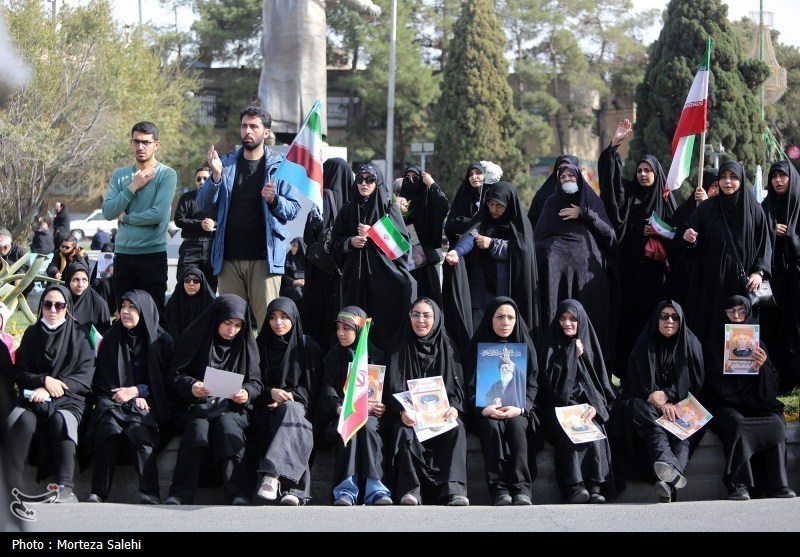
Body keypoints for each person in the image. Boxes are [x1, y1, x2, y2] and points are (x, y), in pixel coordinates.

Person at [199, 106, 301, 329]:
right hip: (228, 260)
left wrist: (274, 200)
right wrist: (215, 176)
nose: (247, 131)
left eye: (254, 126)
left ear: (266, 132)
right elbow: (203, 205)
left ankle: (265, 356)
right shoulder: (225, 165)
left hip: (265, 260)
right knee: (230, 325)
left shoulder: (280, 167)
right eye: (244, 126)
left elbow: (293, 209)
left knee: (268, 327)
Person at [164, 294, 263, 506]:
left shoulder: (245, 344)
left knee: (228, 428)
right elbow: (175, 375)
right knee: (197, 429)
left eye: (238, 325)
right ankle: (180, 493)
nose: (232, 330)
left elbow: (256, 382)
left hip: (231, 408)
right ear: (216, 318)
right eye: (227, 323)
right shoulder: (194, 337)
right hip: (196, 406)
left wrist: (246, 393)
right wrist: (192, 386)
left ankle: (238, 494)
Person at [598, 119, 676, 380]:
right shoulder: (630, 196)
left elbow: (679, 234)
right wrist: (614, 146)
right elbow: (611, 186)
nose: (643, 174)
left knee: (654, 322)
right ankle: (629, 374)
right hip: (629, 276)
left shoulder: (666, 201)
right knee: (629, 324)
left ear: (656, 174)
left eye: (648, 171)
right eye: (640, 170)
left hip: (656, 280)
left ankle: (656, 374)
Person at [6, 285, 95, 503]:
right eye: (47, 304)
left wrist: (53, 387)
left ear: (67, 308)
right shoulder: (32, 334)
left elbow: (84, 375)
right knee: (23, 421)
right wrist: (43, 381)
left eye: (59, 305)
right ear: (41, 307)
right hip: (34, 396)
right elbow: (21, 372)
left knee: (61, 420)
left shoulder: (80, 335)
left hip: (68, 398)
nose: (53, 310)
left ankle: (66, 487)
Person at [85, 290, 175, 504]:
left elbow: (168, 382)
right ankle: (98, 492)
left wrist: (140, 391)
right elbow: (103, 380)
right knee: (109, 429)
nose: (125, 311)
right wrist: (125, 396)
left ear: (144, 311)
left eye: (132, 307)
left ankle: (150, 493)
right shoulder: (111, 338)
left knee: (139, 429)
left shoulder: (161, 341)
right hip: (114, 401)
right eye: (123, 306)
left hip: (149, 404)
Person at [609, 300, 704, 503]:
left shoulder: (691, 344)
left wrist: (670, 396)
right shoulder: (645, 343)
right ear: (656, 320)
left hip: (682, 407)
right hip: (649, 407)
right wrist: (660, 403)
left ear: (681, 321)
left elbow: (695, 382)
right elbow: (635, 384)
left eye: (674, 317)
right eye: (664, 316)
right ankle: (669, 467)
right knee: (635, 408)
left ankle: (667, 483)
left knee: (682, 436)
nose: (669, 321)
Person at [702, 295, 796, 501]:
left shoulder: (758, 344)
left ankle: (778, 485)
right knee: (736, 422)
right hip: (726, 403)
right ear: (724, 314)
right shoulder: (713, 343)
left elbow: (772, 386)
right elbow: (711, 382)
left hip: (755, 402)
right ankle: (739, 485)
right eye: (731, 311)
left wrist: (761, 367)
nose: (736, 316)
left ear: (748, 313)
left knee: (775, 420)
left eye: (741, 311)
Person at [384, 298, 469, 506]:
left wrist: (454, 408)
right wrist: (401, 411)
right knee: (403, 431)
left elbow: (457, 386)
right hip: (411, 417)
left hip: (440, 416)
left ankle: (454, 492)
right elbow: (391, 386)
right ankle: (411, 490)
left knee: (457, 428)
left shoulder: (447, 346)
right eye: (416, 315)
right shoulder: (398, 345)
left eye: (426, 315)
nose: (420, 320)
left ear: (436, 318)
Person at [534, 163, 618, 364]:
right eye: (563, 178)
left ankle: (592, 362)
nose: (567, 180)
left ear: (579, 178)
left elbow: (609, 235)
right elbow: (538, 239)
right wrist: (552, 253)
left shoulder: (592, 202)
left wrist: (584, 214)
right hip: (559, 277)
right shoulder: (551, 204)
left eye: (571, 177)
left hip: (586, 277)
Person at [258, 0, 380, 136]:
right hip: (306, 21)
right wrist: (365, 5)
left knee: (275, 77)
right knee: (309, 81)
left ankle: (274, 126)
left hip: (275, 27)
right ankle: (309, 130)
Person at [331, 162, 417, 355]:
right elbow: (334, 242)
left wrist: (375, 232)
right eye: (360, 179)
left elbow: (402, 246)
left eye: (370, 179)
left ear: (377, 183)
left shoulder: (388, 208)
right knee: (354, 325)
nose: (364, 184)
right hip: (355, 280)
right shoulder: (347, 209)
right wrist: (350, 242)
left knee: (383, 327)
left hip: (383, 279)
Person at [444, 180, 540, 351]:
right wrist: (457, 252)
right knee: (479, 333)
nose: (494, 210)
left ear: (509, 205)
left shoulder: (520, 225)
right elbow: (471, 236)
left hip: (508, 289)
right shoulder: (484, 219)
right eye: (490, 204)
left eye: (499, 206)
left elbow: (523, 251)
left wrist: (493, 244)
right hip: (481, 288)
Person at [537, 299, 617, 504]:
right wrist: (570, 354)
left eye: (573, 319)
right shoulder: (550, 346)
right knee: (571, 429)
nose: (567, 323)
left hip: (586, 407)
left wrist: (595, 407)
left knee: (595, 426)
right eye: (563, 318)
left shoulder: (589, 347)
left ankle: (596, 486)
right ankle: (574, 487)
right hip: (557, 408)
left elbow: (600, 387)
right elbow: (552, 386)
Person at [682, 160, 771, 342]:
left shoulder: (754, 210)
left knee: (740, 339)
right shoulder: (706, 208)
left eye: (733, 177)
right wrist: (689, 238)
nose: (727, 181)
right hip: (712, 285)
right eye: (723, 177)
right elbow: (689, 239)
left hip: (743, 285)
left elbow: (764, 244)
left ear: (741, 180)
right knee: (711, 331)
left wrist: (758, 272)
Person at [462, 297, 538, 506]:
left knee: (516, 426)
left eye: (510, 317)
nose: (505, 322)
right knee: (491, 427)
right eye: (500, 317)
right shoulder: (476, 347)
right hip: (486, 412)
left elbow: (533, 384)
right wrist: (483, 409)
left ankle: (522, 489)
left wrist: (521, 408)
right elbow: (469, 386)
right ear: (490, 319)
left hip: (518, 410)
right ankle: (499, 490)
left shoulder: (524, 345)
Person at [102, 121, 177, 324]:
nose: (140, 147)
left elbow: (157, 215)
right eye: (136, 142)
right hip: (123, 255)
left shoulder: (167, 174)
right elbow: (108, 212)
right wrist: (133, 187)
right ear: (131, 143)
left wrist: (126, 218)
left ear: (156, 145)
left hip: (152, 255)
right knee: (124, 317)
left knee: (153, 317)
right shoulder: (120, 175)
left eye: (146, 142)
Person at [316, 306, 393, 506]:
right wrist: (340, 408)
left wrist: (382, 407)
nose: (340, 333)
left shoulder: (376, 356)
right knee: (349, 425)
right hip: (341, 413)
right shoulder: (334, 356)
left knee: (368, 427)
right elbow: (327, 389)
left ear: (359, 330)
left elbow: (386, 391)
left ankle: (376, 489)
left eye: (347, 328)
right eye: (338, 328)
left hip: (371, 415)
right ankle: (345, 490)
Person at [253, 297, 323, 506]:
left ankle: (272, 475)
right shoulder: (259, 346)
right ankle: (294, 491)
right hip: (265, 409)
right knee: (296, 420)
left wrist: (291, 396)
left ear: (294, 318)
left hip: (299, 407)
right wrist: (271, 393)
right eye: (273, 317)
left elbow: (314, 388)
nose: (278, 323)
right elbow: (252, 383)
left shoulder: (307, 347)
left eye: (284, 317)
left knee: (292, 412)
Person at [301, 157, 353, 353]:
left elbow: (309, 236)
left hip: (319, 269)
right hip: (341, 271)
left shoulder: (323, 197)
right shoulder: (353, 204)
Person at [760, 160, 800, 392]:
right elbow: (755, 234)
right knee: (774, 327)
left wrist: (792, 237)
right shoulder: (765, 207)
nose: (778, 180)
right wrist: (771, 231)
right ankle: (779, 377)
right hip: (774, 279)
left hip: (796, 278)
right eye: (774, 176)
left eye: (782, 176)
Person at [664, 168, 719, 305]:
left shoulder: (723, 213)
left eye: (720, 186)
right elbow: (672, 242)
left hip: (709, 280)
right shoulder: (685, 211)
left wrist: (706, 206)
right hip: (684, 279)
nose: (718, 191)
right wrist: (686, 239)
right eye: (714, 186)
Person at [398, 164, 449, 307]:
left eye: (415, 178)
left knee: (428, 299)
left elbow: (443, 206)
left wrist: (432, 184)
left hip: (427, 258)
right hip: (406, 258)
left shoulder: (429, 200)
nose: (411, 181)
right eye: (407, 178)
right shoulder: (400, 202)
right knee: (409, 299)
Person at [174, 166, 217, 293]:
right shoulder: (186, 198)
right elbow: (178, 220)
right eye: (199, 179)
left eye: (205, 178)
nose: (201, 181)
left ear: (211, 179)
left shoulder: (217, 197)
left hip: (211, 247)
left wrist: (213, 223)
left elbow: (225, 219)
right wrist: (200, 224)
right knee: (184, 286)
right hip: (190, 247)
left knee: (210, 290)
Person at [165, 267, 216, 347]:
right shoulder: (174, 303)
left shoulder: (210, 304)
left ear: (201, 283)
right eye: (187, 280)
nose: (191, 283)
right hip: (176, 348)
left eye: (196, 280)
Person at [526, 154, 580, 230]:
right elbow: (531, 225)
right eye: (560, 168)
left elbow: (596, 218)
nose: (565, 172)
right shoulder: (543, 195)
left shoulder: (586, 195)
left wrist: (583, 213)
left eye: (569, 167)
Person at [62, 262, 111, 335]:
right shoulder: (60, 301)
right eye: (76, 280)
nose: (80, 285)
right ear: (68, 281)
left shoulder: (99, 305)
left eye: (84, 280)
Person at [279, 238, 305, 306]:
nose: (292, 248)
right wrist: (293, 282)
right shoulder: (288, 258)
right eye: (291, 246)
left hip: (305, 284)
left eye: (294, 246)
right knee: (297, 290)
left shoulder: (307, 259)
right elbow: (284, 275)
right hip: (291, 286)